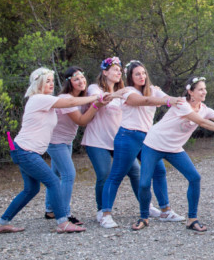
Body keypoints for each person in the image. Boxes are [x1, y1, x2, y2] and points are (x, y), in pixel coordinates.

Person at [0, 68, 116, 233]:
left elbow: (74, 106)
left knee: (31, 189)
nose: (51, 84)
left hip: (25, 150)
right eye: (47, 81)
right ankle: (62, 222)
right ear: (38, 83)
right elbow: (71, 103)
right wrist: (96, 97)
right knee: (53, 181)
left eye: (52, 81)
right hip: (25, 151)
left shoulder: (46, 100)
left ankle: (2, 223)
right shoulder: (39, 98)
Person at [133, 76, 214, 232]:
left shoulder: (204, 109)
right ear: (190, 92)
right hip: (154, 144)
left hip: (174, 148)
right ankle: (143, 217)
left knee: (194, 178)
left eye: (205, 89)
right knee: (145, 183)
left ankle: (192, 219)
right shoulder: (182, 105)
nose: (204, 92)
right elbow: (202, 122)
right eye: (200, 89)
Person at [99, 60, 184, 228]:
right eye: (137, 74)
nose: (141, 76)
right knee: (117, 174)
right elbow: (144, 101)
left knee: (159, 171)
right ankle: (105, 214)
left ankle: (165, 210)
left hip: (148, 138)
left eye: (143, 73)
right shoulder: (128, 92)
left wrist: (178, 100)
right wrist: (168, 102)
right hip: (128, 136)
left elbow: (166, 98)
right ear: (130, 77)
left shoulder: (153, 90)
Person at [82, 57, 160, 224]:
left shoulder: (125, 91)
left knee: (136, 172)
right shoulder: (95, 88)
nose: (119, 73)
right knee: (104, 173)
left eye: (120, 70)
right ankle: (102, 210)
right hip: (97, 140)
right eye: (115, 69)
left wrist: (154, 92)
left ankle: (147, 206)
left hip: (118, 140)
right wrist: (115, 94)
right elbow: (99, 99)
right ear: (105, 72)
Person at [43, 66, 107, 226]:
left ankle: (50, 209)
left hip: (66, 141)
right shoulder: (66, 98)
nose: (81, 81)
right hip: (55, 142)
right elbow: (81, 120)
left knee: (56, 175)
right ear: (69, 82)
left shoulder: (81, 98)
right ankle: (64, 214)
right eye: (76, 79)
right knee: (68, 174)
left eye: (82, 77)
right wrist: (96, 105)